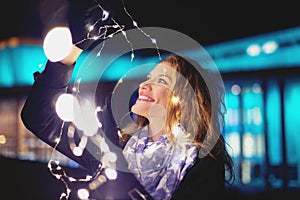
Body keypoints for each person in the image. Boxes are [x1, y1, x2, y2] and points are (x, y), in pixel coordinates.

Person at [21, 43, 234, 199]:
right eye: (148, 77)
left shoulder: (202, 163)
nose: (144, 85)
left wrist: (116, 158)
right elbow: (39, 118)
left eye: (161, 80)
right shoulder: (121, 142)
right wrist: (62, 62)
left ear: (185, 99)